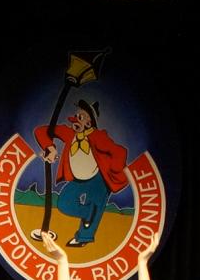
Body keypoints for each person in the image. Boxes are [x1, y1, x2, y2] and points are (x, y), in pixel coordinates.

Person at [32, 98, 129, 248]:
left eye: (82, 117)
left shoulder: (98, 136)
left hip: (99, 178)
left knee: (96, 202)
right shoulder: (69, 133)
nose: (77, 119)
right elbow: (41, 131)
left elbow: (120, 151)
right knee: (64, 203)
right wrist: (50, 148)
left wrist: (114, 168)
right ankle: (89, 213)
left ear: (89, 123)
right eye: (77, 116)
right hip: (78, 179)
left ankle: (83, 237)